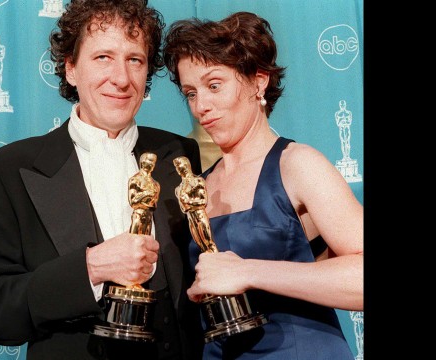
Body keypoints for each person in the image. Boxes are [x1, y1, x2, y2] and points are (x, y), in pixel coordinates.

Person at [0, 1, 204, 359]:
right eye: (103, 58)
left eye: (134, 60)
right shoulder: (3, 171)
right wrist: (90, 268)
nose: (122, 79)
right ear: (70, 68)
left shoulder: (180, 154)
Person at [163, 11, 363, 359]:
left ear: (259, 82)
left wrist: (247, 271)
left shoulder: (297, 164)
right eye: (191, 93)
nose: (201, 107)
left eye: (214, 85)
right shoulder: (199, 186)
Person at [173, 156, 217, 254]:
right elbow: (183, 209)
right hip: (191, 219)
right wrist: (186, 204)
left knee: (209, 242)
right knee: (201, 245)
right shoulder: (179, 188)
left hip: (200, 214)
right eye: (177, 166)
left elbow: (203, 201)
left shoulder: (198, 181)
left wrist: (189, 202)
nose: (180, 167)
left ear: (187, 165)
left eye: (182, 164)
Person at [128, 152, 160, 236]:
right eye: (150, 160)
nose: (151, 164)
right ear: (143, 162)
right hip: (138, 215)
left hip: (149, 216)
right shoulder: (135, 179)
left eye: (153, 162)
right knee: (134, 240)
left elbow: (155, 204)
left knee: (147, 242)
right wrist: (146, 194)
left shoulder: (155, 184)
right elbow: (133, 201)